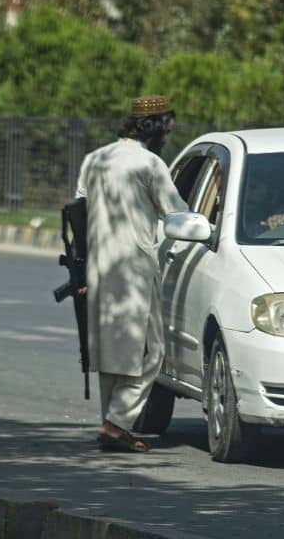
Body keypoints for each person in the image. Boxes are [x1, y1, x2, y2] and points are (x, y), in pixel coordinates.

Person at [76, 94, 186, 453]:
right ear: (156, 126)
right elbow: (177, 212)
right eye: (167, 126)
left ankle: (113, 422)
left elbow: (78, 214)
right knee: (152, 351)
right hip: (136, 266)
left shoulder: (94, 159)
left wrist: (80, 273)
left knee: (111, 351)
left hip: (97, 264)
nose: (168, 134)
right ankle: (117, 422)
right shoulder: (149, 164)